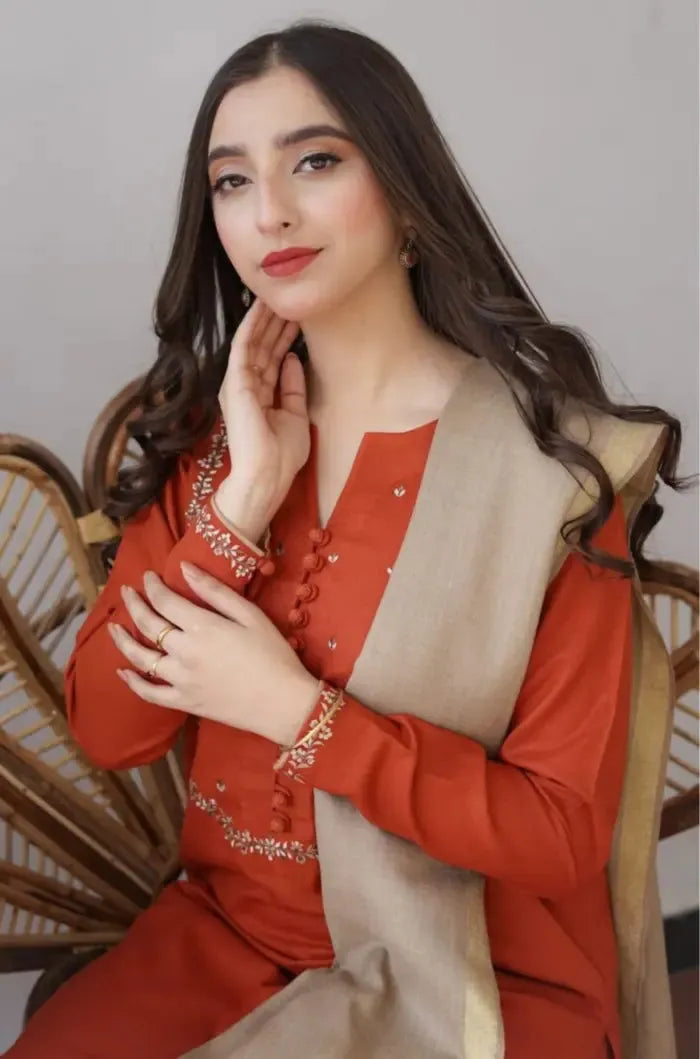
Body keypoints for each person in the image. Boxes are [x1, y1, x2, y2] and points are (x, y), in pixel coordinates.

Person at [7, 19, 690, 1059]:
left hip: (473, 966)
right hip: (226, 937)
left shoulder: (546, 473)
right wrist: (238, 510)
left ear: (409, 196)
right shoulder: (211, 446)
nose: (267, 210)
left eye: (314, 162)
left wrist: (291, 711)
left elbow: (557, 838)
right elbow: (109, 728)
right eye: (230, 182)